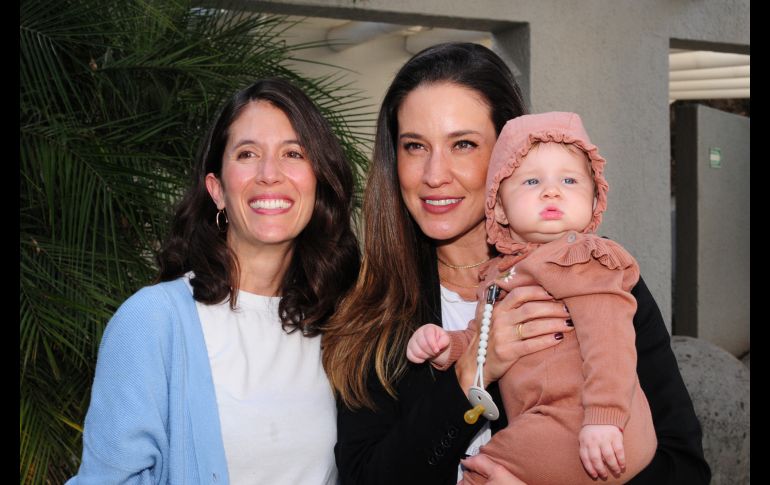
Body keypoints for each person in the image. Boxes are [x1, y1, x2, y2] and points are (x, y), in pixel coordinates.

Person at [321, 43, 710, 485]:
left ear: (512, 153)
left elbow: (684, 467)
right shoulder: (369, 307)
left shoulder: (595, 269)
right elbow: (366, 477)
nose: (433, 174)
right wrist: (471, 370)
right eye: (415, 146)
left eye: (463, 144)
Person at [66, 78, 360, 484]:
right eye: (247, 153)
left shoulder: (345, 321)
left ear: (318, 182)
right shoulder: (152, 321)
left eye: (293, 153)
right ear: (217, 190)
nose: (269, 174)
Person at [407, 111, 657, 484]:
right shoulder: (503, 273)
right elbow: (483, 335)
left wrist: (603, 417)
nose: (552, 191)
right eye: (531, 181)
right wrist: (449, 347)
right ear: (501, 208)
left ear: (594, 201)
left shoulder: (584, 258)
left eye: (570, 180)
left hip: (590, 425)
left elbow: (610, 339)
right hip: (556, 425)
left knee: (480, 469)